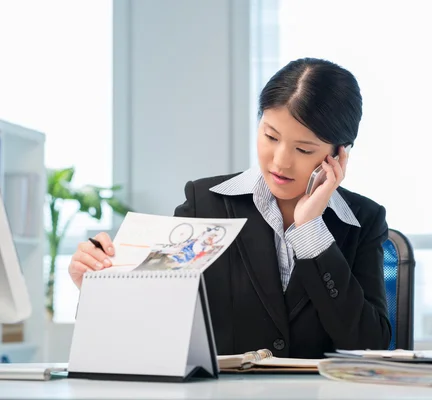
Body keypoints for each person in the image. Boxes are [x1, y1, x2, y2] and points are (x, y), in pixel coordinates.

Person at [68, 57, 391, 358]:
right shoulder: (204, 203)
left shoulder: (364, 221)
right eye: (270, 136)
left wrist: (310, 231)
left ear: (338, 154)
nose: (280, 161)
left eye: (303, 149)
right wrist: (97, 288)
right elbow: (152, 322)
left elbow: (369, 347)